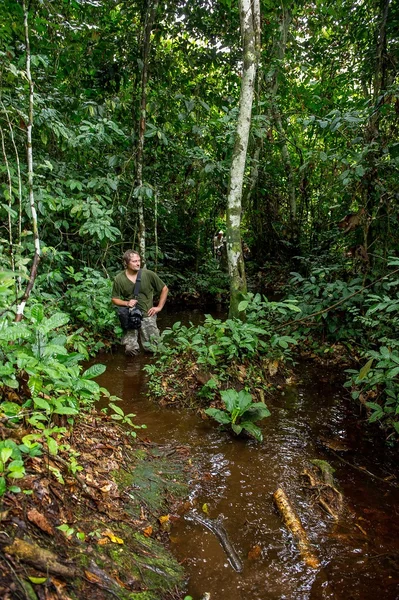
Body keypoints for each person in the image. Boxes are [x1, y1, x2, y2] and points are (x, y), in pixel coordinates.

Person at [111, 250, 168, 356]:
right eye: (134, 261)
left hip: (148, 315)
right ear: (126, 263)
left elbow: (164, 289)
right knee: (130, 350)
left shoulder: (148, 274)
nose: (138, 263)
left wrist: (159, 307)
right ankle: (133, 370)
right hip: (131, 316)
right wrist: (127, 303)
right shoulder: (119, 279)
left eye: (139, 260)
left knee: (154, 348)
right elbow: (115, 299)